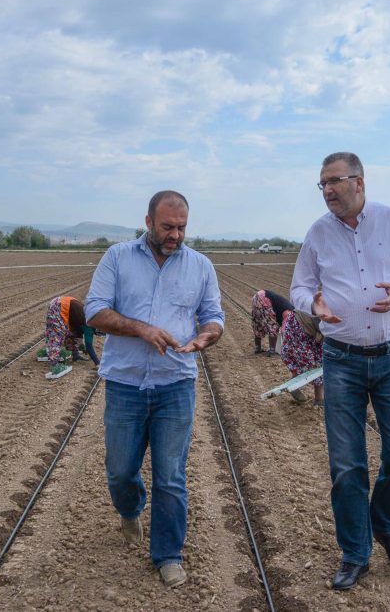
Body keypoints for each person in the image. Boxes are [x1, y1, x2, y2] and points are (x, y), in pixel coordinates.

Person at [291, 152, 390, 591]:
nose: (328, 190)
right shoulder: (317, 234)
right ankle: (355, 552)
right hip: (341, 360)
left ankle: (385, 522)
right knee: (347, 465)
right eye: (323, 184)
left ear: (360, 181)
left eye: (335, 181)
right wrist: (311, 304)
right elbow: (298, 285)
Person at [85, 190, 224, 589]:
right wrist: (142, 328)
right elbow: (94, 311)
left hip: (175, 383)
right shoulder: (118, 258)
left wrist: (208, 335)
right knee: (121, 471)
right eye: (167, 227)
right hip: (126, 383)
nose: (175, 235)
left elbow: (213, 315)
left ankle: (168, 555)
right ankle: (130, 509)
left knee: (171, 476)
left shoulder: (200, 266)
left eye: (181, 227)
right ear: (148, 222)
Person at [42, 295, 100, 380]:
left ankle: (75, 356)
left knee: (71, 334)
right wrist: (97, 363)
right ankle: (55, 365)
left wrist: (81, 347)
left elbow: (78, 333)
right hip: (60, 306)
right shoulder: (90, 325)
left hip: (61, 303)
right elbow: (89, 345)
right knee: (57, 334)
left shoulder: (89, 318)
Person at [278, 309, 325, 405]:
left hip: (312, 330)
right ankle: (294, 386)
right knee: (307, 362)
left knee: (320, 361)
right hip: (300, 325)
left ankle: (319, 399)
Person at [251, 289, 294, 355]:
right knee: (272, 325)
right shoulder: (290, 313)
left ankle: (258, 348)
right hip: (265, 299)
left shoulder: (287, 307)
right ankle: (272, 350)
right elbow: (284, 330)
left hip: (256, 297)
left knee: (258, 323)